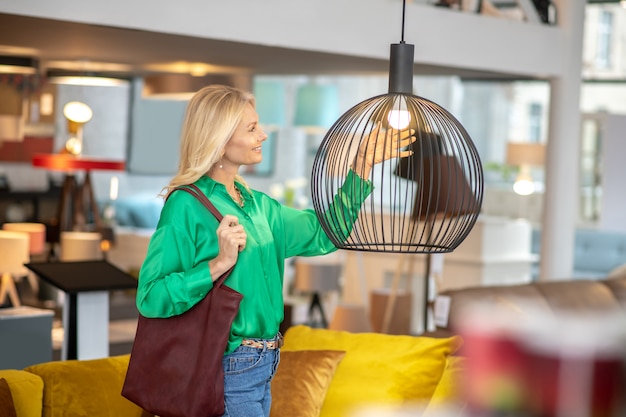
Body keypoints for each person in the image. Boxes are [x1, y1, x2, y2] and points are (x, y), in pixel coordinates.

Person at [135, 84, 415, 416]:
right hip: (227, 366)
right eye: (251, 128)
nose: (264, 135)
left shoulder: (259, 206)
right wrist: (217, 264)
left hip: (265, 363)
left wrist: (363, 166)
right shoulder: (186, 204)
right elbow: (150, 297)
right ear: (219, 138)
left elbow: (328, 232)